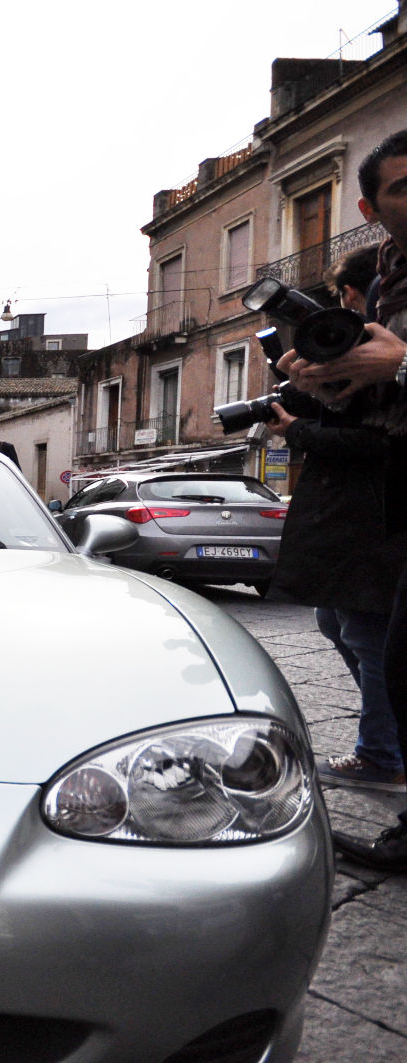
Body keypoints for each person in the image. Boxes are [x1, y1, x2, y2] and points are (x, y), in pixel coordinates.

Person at [278, 129, 407, 870]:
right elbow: (379, 413)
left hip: (381, 518)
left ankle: (380, 754)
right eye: (402, 187)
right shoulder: (392, 283)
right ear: (372, 206)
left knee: (381, 643)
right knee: (373, 639)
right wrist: (326, 385)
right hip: (390, 510)